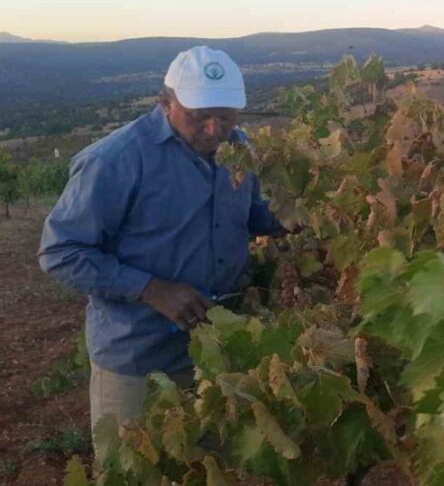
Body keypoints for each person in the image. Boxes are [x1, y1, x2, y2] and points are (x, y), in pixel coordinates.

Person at [39, 46, 284, 440]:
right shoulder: (114, 160)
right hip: (138, 358)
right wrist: (152, 290)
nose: (213, 129)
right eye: (199, 116)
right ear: (165, 102)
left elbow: (253, 216)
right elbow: (61, 252)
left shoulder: (240, 149)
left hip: (220, 350)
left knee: (208, 468)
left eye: (226, 117)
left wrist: (307, 217)